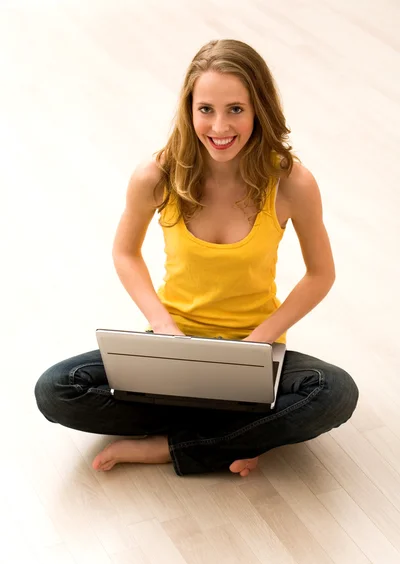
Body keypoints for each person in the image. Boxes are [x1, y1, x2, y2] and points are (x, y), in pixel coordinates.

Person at [34, 39, 359, 477]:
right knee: (56, 389)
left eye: (236, 109)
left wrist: (261, 341)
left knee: (335, 392)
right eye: (205, 109)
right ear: (189, 109)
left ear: (259, 108)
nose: (219, 125)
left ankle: (168, 446)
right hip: (171, 350)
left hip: (254, 351)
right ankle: (238, 434)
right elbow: (125, 253)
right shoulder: (155, 175)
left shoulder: (291, 182)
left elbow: (321, 274)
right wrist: (165, 329)